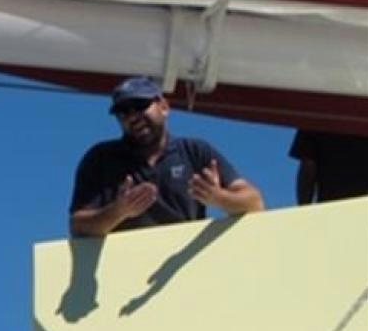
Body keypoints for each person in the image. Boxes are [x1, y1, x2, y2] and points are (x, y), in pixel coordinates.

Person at [70, 76, 264, 238]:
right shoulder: (101, 159)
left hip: (185, 272)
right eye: (123, 112)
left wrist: (218, 198)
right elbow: (78, 225)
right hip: (125, 269)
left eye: (139, 105)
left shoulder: (194, 152)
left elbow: (254, 203)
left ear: (164, 107)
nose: (132, 117)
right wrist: (119, 211)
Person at [289, 130, 368, 205]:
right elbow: (308, 167)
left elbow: (308, 168)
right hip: (363, 208)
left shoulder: (317, 117)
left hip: (330, 206)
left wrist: (304, 211)